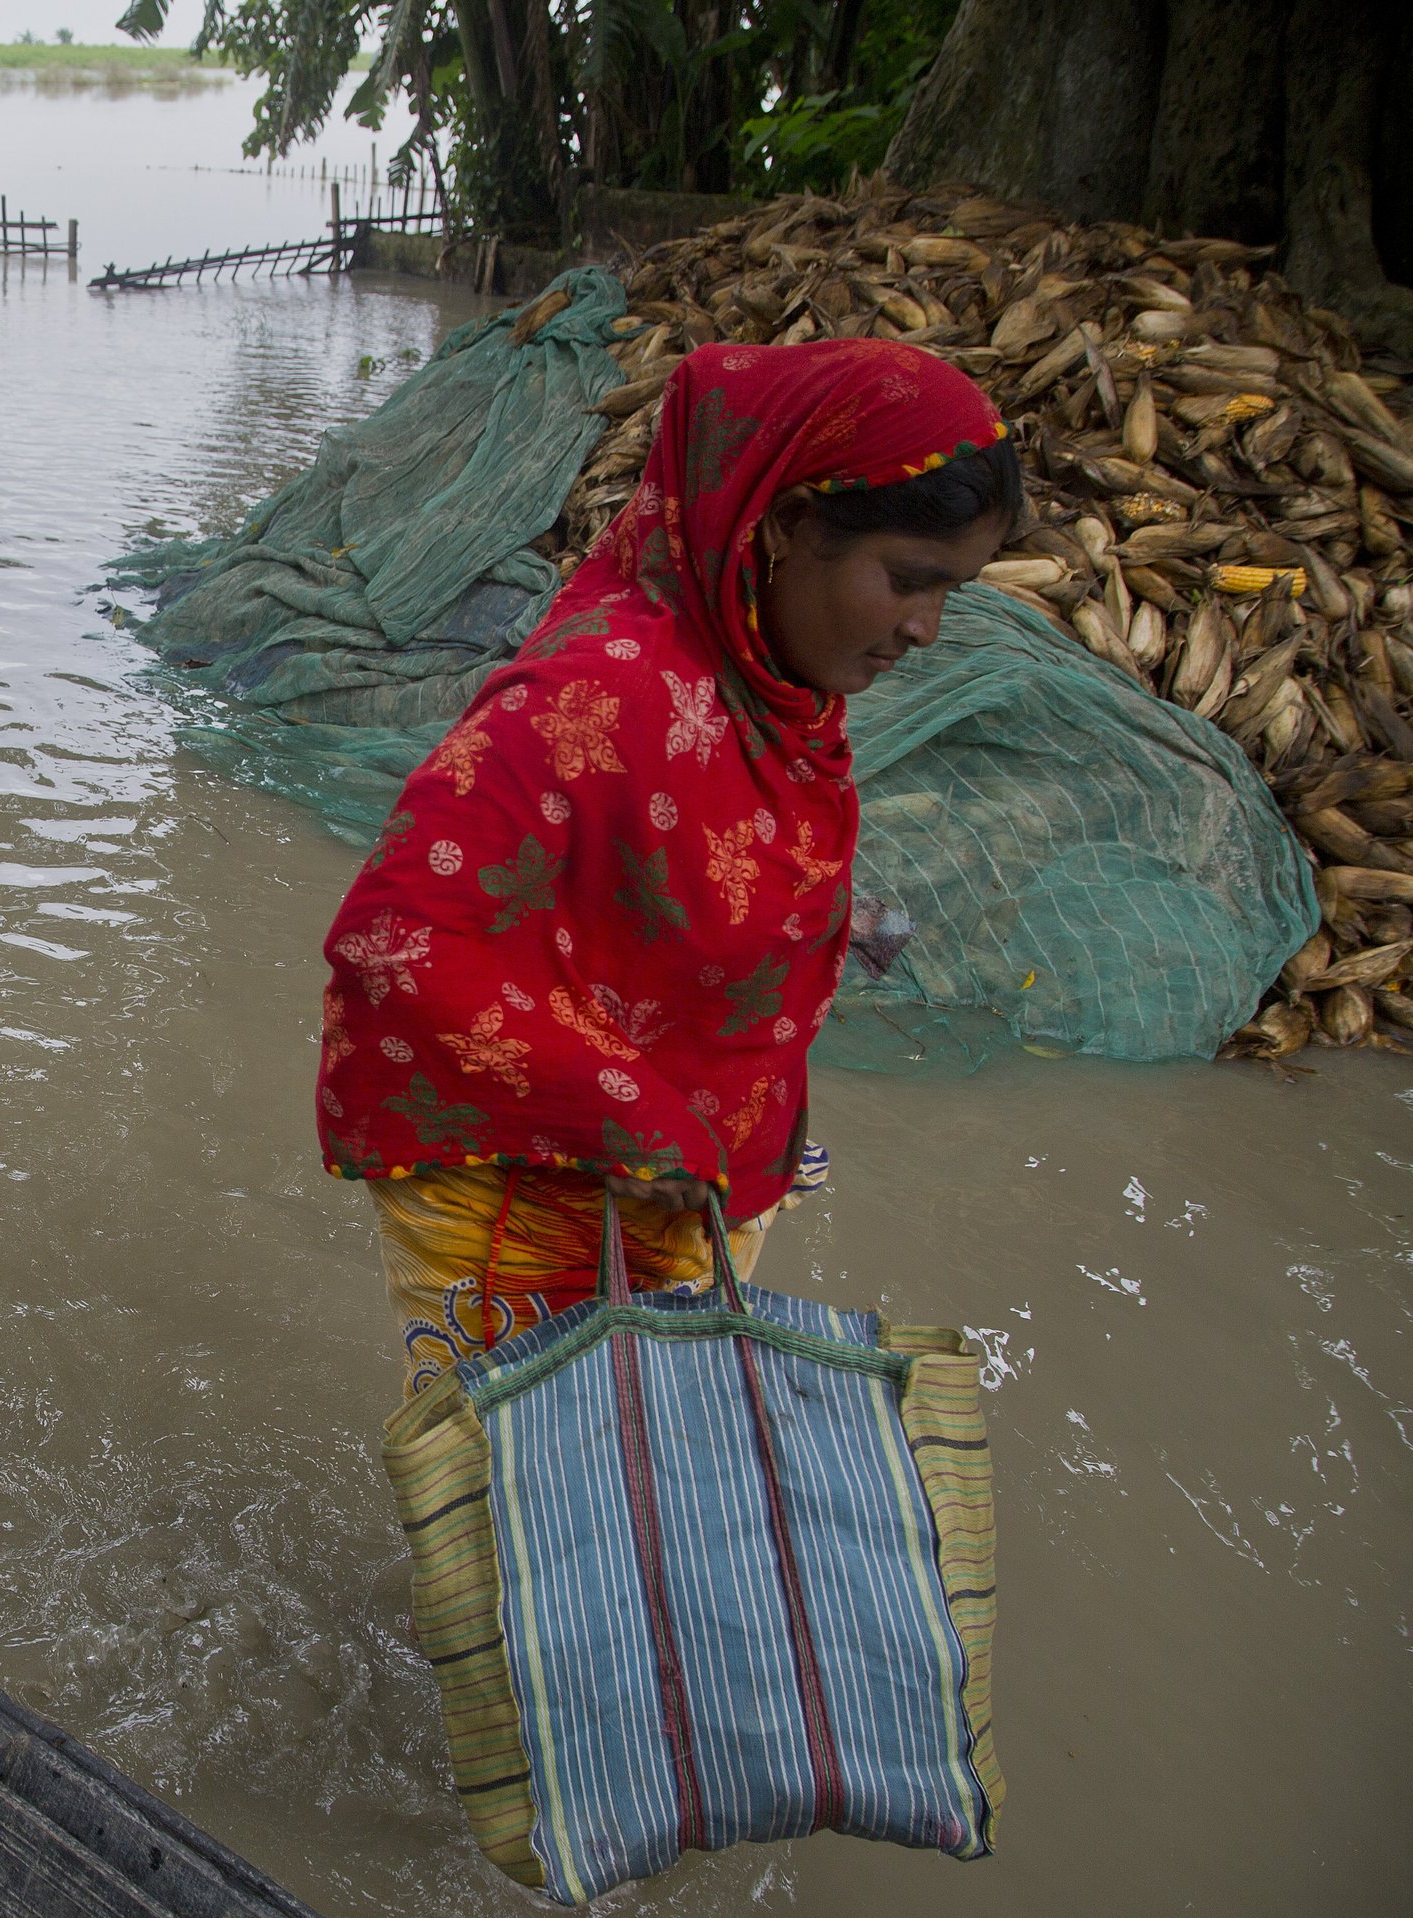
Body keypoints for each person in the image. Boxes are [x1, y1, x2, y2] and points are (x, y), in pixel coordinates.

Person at [315, 339, 1020, 1393]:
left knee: (655, 1502)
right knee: (544, 1518)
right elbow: (398, 943)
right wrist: (642, 1120)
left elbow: (671, 884)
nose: (925, 628)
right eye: (909, 581)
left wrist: (829, 929)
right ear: (787, 527)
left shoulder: (781, 700)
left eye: (951, 591)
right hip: (545, 1204)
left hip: (693, 1186)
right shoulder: (594, 699)